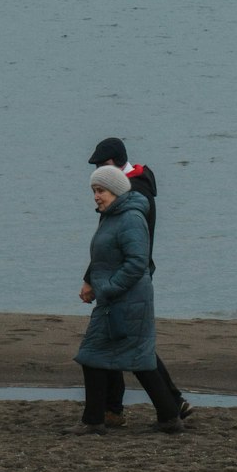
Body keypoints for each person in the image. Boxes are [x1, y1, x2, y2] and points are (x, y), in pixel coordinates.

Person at [82, 136, 191, 426]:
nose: (96, 195)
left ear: (113, 166)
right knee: (121, 347)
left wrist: (104, 284)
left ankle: (166, 408)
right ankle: (118, 411)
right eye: (94, 189)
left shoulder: (132, 196)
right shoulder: (118, 196)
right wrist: (93, 278)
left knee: (130, 350)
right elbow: (106, 244)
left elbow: (133, 252)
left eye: (99, 188)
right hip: (122, 279)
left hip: (127, 282)